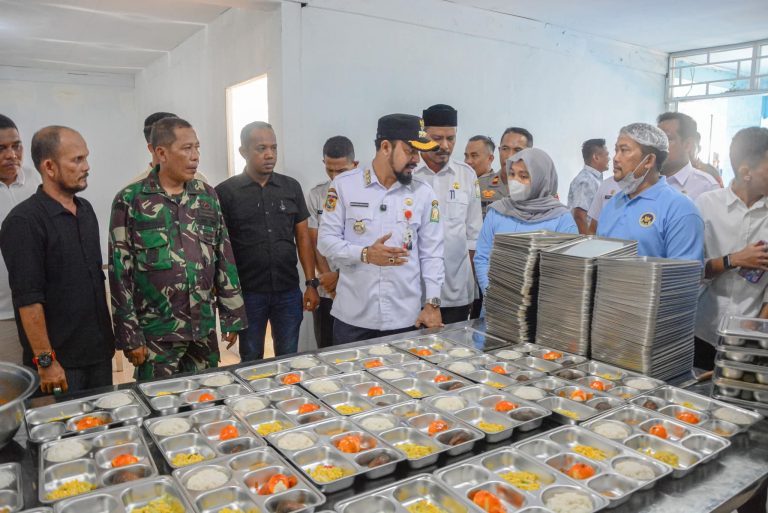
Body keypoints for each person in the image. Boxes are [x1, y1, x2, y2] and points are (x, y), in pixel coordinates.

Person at [109, 117, 246, 379]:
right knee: (159, 406)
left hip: (203, 329)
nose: (195, 156)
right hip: (157, 333)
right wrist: (130, 335)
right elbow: (119, 273)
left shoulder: (206, 196)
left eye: (197, 148)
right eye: (186, 149)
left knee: (206, 400)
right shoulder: (131, 200)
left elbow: (223, 256)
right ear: (161, 153)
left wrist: (233, 315)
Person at [1, 126, 114, 394]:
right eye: (77, 160)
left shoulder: (85, 211)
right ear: (50, 167)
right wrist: (46, 361)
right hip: (60, 363)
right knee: (63, 434)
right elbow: (28, 300)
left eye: (86, 158)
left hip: (98, 353)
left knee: (103, 426)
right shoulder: (23, 222)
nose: (86, 167)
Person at [318, 113, 445, 344]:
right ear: (386, 147)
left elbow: (432, 253)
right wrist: (365, 254)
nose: (417, 160)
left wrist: (433, 303)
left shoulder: (424, 193)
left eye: (418, 152)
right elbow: (326, 240)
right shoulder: (344, 186)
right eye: (410, 151)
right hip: (353, 318)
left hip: (405, 318)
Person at [216, 121, 318, 361]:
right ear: (243, 152)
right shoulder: (225, 193)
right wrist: (226, 303)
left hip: (288, 291)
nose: (269, 154)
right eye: (261, 148)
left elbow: (302, 237)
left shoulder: (290, 187)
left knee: (288, 356)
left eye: (273, 148)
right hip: (248, 294)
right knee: (251, 358)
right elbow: (219, 248)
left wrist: (311, 283)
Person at [694, 127, 768, 371]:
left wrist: (755, 328)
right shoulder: (706, 206)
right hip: (704, 329)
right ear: (746, 172)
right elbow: (691, 271)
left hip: (753, 336)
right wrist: (733, 260)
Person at [474, 148, 577, 298]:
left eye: (523, 176)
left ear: (541, 179)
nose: (515, 181)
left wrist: (532, 303)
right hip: (496, 306)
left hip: (541, 309)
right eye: (512, 174)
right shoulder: (497, 212)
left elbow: (567, 270)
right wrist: (493, 295)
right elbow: (482, 258)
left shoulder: (561, 219)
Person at [597, 123, 704, 262]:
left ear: (649, 160)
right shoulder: (613, 204)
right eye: (616, 150)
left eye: (624, 150)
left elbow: (684, 276)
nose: (616, 158)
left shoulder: (679, 209)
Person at [414, 104, 482, 324]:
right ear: (423, 136)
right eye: (437, 138)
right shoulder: (408, 175)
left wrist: (471, 289)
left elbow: (473, 237)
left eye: (451, 138)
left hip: (456, 291)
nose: (445, 145)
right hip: (413, 292)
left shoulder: (466, 175)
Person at [307, 136, 358, 348]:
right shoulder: (317, 195)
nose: (335, 177)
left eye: (342, 171)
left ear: (355, 165)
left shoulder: (367, 196)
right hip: (326, 289)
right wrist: (329, 279)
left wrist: (342, 278)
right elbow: (314, 240)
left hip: (357, 286)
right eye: (330, 170)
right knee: (327, 348)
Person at [0, 115, 40, 365]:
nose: (12, 155)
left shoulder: (39, 181)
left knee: (52, 390)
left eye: (16, 145)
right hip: (4, 317)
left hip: (44, 310)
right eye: (1, 149)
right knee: (13, 393)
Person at [130, 112, 208, 184]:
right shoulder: (132, 192)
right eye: (186, 147)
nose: (195, 156)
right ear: (154, 149)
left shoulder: (200, 181)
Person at [657, 112, 719, 199]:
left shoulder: (706, 186)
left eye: (667, 140)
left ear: (687, 145)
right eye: (656, 140)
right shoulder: (645, 181)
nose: (658, 146)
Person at [568, 138, 610, 234]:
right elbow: (579, 216)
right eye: (607, 155)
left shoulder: (595, 180)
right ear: (596, 157)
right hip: (588, 243)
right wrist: (588, 245)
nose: (609, 158)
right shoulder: (585, 181)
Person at [464, 135, 506, 217]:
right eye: (466, 156)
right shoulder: (460, 183)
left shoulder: (502, 186)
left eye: (474, 156)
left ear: (490, 158)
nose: (468, 161)